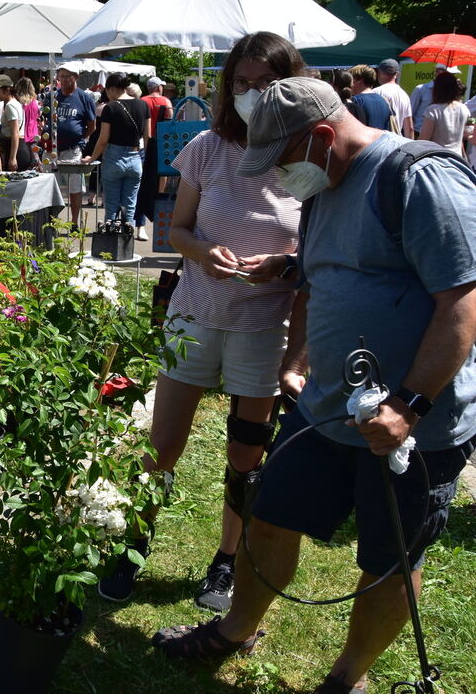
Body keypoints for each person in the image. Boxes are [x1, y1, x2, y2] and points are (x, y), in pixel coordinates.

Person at [153, 77, 476, 694]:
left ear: (324, 136)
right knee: (270, 516)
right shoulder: (325, 179)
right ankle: (235, 628)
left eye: (281, 163)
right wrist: (290, 270)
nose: (276, 180)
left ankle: (344, 678)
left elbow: (462, 300)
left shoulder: (420, 179)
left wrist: (408, 405)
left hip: (412, 425)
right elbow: (343, 269)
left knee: (388, 560)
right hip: (328, 402)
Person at [97, 32, 303, 612]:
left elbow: (320, 245)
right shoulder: (209, 147)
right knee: (163, 446)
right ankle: (132, 544)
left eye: (267, 83)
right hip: (196, 312)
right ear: (227, 86)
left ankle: (226, 560)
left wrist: (285, 264)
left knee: (245, 454)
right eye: (243, 83)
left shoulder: (303, 157)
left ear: (291, 85)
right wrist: (201, 250)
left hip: (264, 323)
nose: (254, 94)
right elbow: (178, 229)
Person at [86, 72, 149, 224]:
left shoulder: (111, 107)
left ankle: (111, 244)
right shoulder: (143, 105)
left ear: (112, 89)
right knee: (129, 207)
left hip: (114, 158)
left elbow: (103, 140)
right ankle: (127, 243)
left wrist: (92, 158)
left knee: (112, 207)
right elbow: (148, 137)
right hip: (135, 158)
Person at [52, 64, 98, 223]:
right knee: (51, 186)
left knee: (75, 187)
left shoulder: (84, 98)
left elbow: (92, 126)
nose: (63, 80)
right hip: (52, 149)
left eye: (66, 76)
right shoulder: (53, 96)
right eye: (61, 76)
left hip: (73, 149)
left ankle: (74, 222)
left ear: (76, 77)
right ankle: (53, 221)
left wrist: (79, 138)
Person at [138, 76, 175, 241]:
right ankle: (159, 196)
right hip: (162, 141)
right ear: (158, 87)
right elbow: (171, 122)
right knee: (163, 172)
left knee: (144, 175)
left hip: (144, 142)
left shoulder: (142, 101)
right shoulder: (166, 102)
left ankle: (144, 199)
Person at [418, 71, 467, 155]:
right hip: (457, 158)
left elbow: (423, 140)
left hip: (437, 159)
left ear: (437, 89)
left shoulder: (433, 110)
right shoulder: (463, 108)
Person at [0, 75, 32, 172]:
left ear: (7, 90)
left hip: (16, 150)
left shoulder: (10, 106)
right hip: (18, 148)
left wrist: (12, 158)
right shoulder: (16, 103)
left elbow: (15, 133)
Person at [410, 64, 459, 135]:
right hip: (419, 134)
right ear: (437, 72)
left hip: (440, 137)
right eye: (449, 74)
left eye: (453, 74)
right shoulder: (421, 89)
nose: (452, 77)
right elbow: (410, 114)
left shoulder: (452, 93)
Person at [347, 65, 394, 131]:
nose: (349, 84)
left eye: (351, 80)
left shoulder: (356, 100)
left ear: (360, 80)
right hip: (382, 140)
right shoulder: (384, 100)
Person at [374, 58, 413, 136]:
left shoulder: (376, 92)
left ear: (380, 72)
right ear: (397, 74)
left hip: (379, 141)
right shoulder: (404, 94)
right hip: (397, 141)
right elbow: (410, 128)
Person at [14, 77, 40, 148]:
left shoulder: (19, 102)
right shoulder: (35, 102)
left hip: (22, 135)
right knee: (34, 156)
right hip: (35, 134)